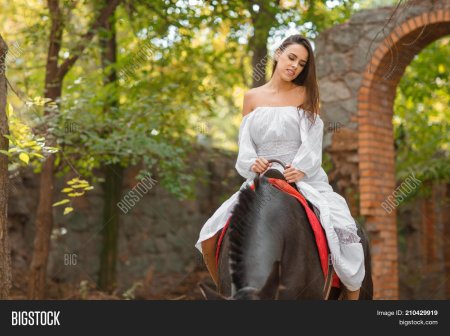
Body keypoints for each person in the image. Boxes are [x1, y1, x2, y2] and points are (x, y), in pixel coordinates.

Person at [195, 34, 365, 300]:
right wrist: (254, 163)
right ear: (278, 54)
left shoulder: (306, 95)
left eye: (301, 63)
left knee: (346, 234)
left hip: (302, 178)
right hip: (261, 181)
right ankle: (232, 294)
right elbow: (246, 145)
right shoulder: (252, 97)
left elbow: (312, 143)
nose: (294, 66)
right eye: (291, 58)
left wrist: (300, 168)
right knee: (208, 235)